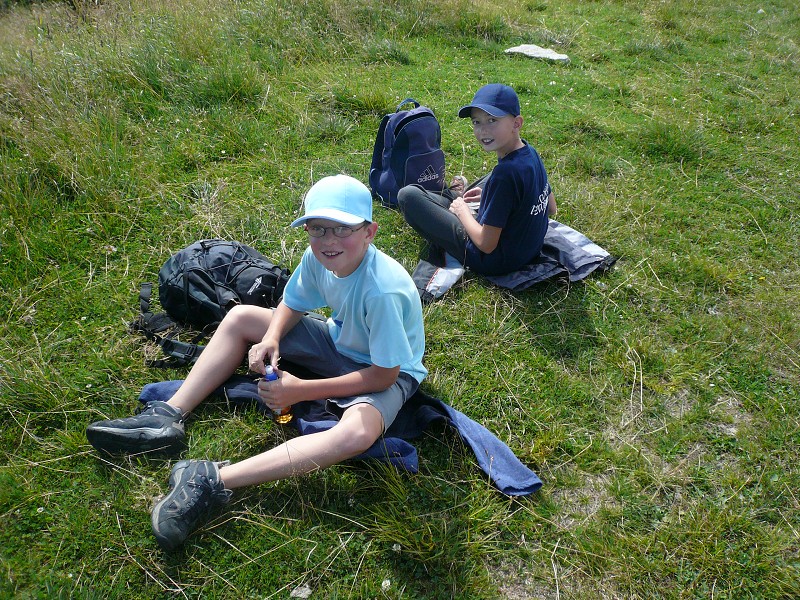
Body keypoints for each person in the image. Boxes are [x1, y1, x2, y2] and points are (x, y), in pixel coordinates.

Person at [85, 175, 427, 551]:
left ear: (370, 232)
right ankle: (167, 415)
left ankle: (211, 479)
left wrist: (302, 390)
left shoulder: (382, 291)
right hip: (338, 340)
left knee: (357, 435)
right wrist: (272, 337)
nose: (329, 240)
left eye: (342, 228)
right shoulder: (320, 259)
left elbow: (384, 375)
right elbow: (293, 302)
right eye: (317, 228)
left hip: (388, 371)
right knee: (241, 317)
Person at [398, 83, 557, 276]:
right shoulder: (530, 153)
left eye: (492, 120)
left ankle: (454, 198)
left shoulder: (505, 175)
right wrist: (496, 200)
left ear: (517, 123)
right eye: (476, 122)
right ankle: (456, 196)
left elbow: (486, 244)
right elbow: (551, 208)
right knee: (492, 179)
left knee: (408, 196)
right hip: (528, 249)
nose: (483, 130)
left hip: (494, 261)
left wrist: (463, 213)